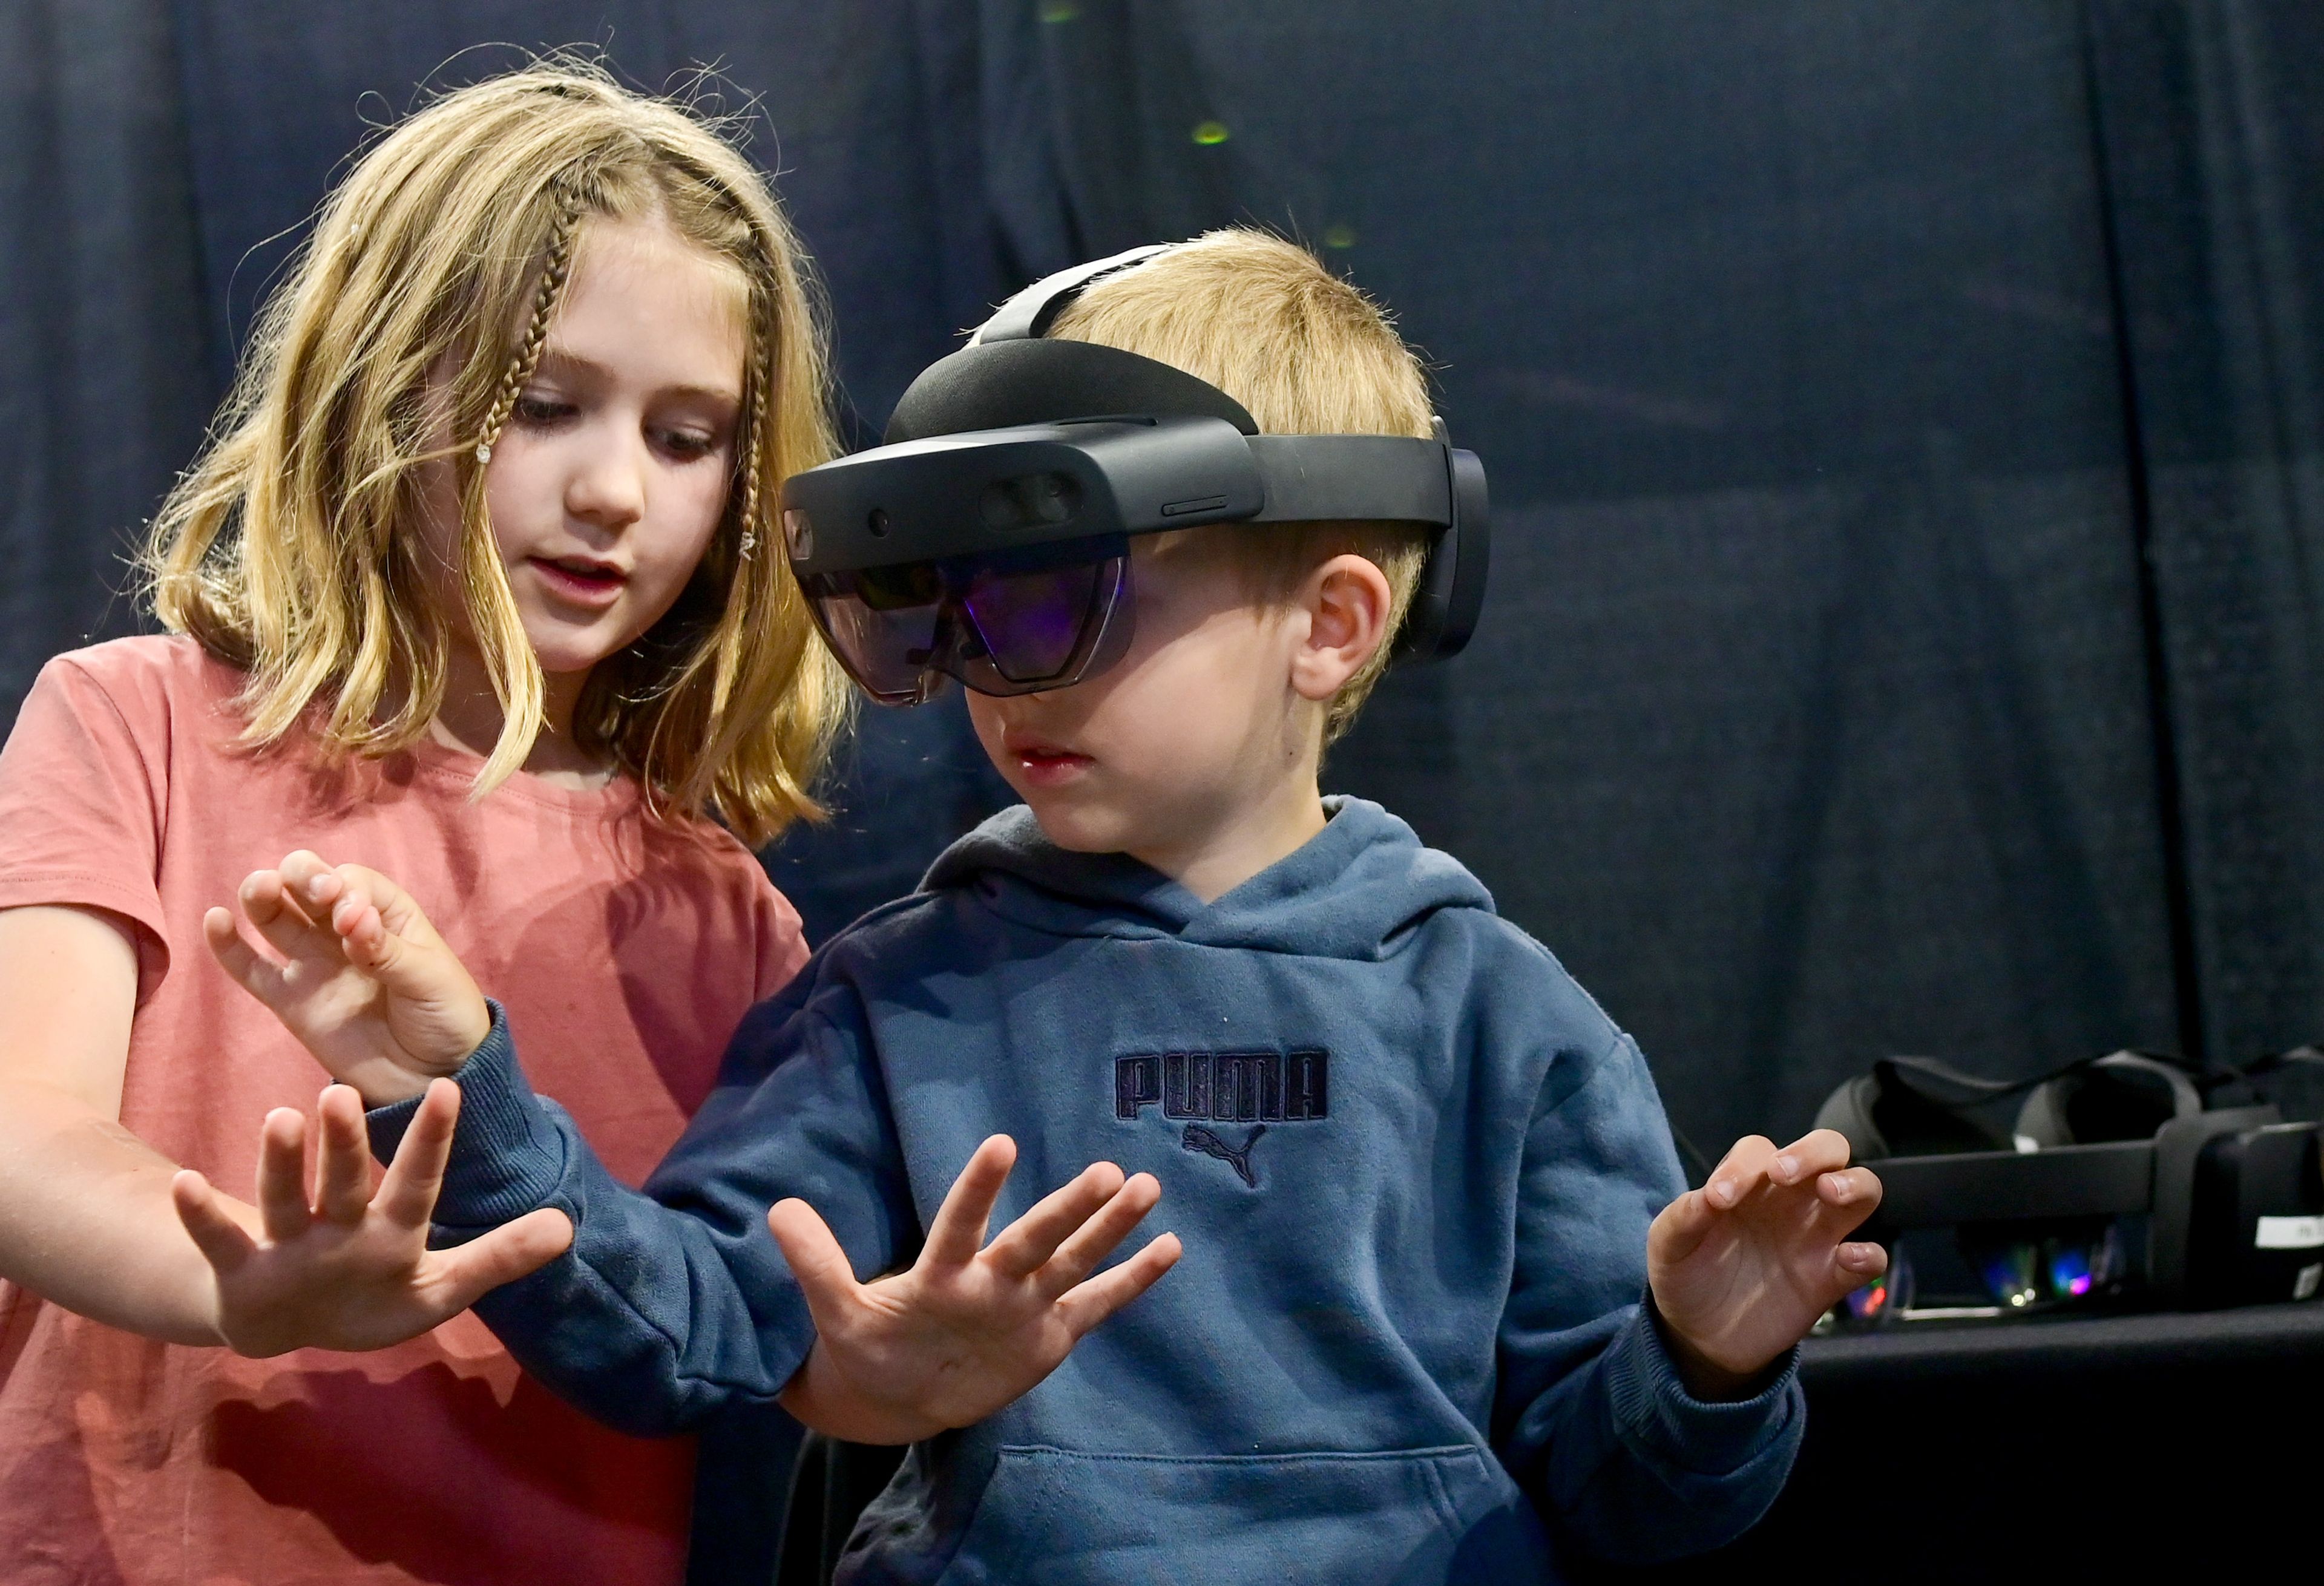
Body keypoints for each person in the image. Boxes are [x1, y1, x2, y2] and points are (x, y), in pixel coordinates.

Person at [196, 231, 1888, 1581]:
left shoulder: (1505, 1024)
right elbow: (684, 1327)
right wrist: (463, 1085)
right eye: (954, 604)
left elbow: (1638, 1500)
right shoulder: (894, 1004)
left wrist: (1705, 1358)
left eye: (1058, 594)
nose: (989, 674)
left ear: (1332, 622)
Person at [0, 63, 858, 1585]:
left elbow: (726, 1345)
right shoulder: (134, 722)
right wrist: (243, 1283)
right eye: (546, 405)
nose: (613, 492)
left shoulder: (732, 916)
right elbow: (20, 1133)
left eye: (686, 436)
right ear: (381, 379)